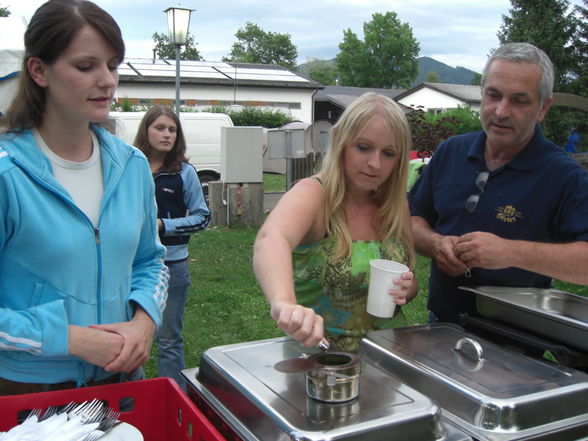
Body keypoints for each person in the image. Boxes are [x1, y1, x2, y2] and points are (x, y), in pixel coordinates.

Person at [0, 0, 169, 395]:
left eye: (112, 65)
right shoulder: (7, 175)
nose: (108, 80)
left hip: (121, 384)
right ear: (39, 71)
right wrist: (69, 340)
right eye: (85, 66)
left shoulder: (132, 167)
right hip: (27, 394)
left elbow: (151, 260)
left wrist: (144, 320)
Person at [408, 42, 588, 324]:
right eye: (493, 95)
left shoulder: (564, 177)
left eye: (519, 100)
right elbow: (411, 219)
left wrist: (510, 252)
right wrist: (436, 244)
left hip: (517, 347)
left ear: (543, 108)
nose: (501, 111)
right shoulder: (450, 153)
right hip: (439, 330)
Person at [253, 92, 418, 353]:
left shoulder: (395, 204)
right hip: (319, 359)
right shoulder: (314, 194)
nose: (375, 164)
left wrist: (408, 289)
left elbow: (408, 276)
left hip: (388, 358)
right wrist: (285, 304)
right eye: (363, 148)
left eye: (388, 153)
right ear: (341, 141)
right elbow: (271, 239)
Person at [134, 105, 210, 389]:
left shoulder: (184, 172)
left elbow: (203, 217)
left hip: (172, 266)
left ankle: (173, 401)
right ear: (146, 130)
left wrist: (165, 226)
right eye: (160, 128)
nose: (167, 135)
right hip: (131, 265)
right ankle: (131, 400)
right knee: (128, 337)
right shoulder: (130, 165)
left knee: (168, 339)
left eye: (172, 130)